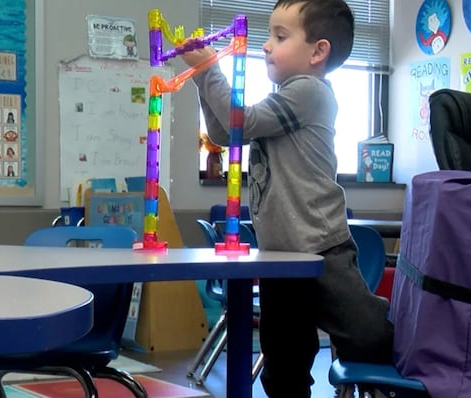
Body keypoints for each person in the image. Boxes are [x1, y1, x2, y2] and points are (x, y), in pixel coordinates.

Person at [180, 1, 393, 396]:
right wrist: (200, 77)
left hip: (320, 250)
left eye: (280, 36)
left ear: (318, 52)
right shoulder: (284, 96)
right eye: (269, 35)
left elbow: (238, 120)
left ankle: (409, 335)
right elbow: (228, 133)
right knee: (284, 365)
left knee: (370, 337)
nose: (265, 45)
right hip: (281, 256)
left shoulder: (309, 92)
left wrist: (209, 69)